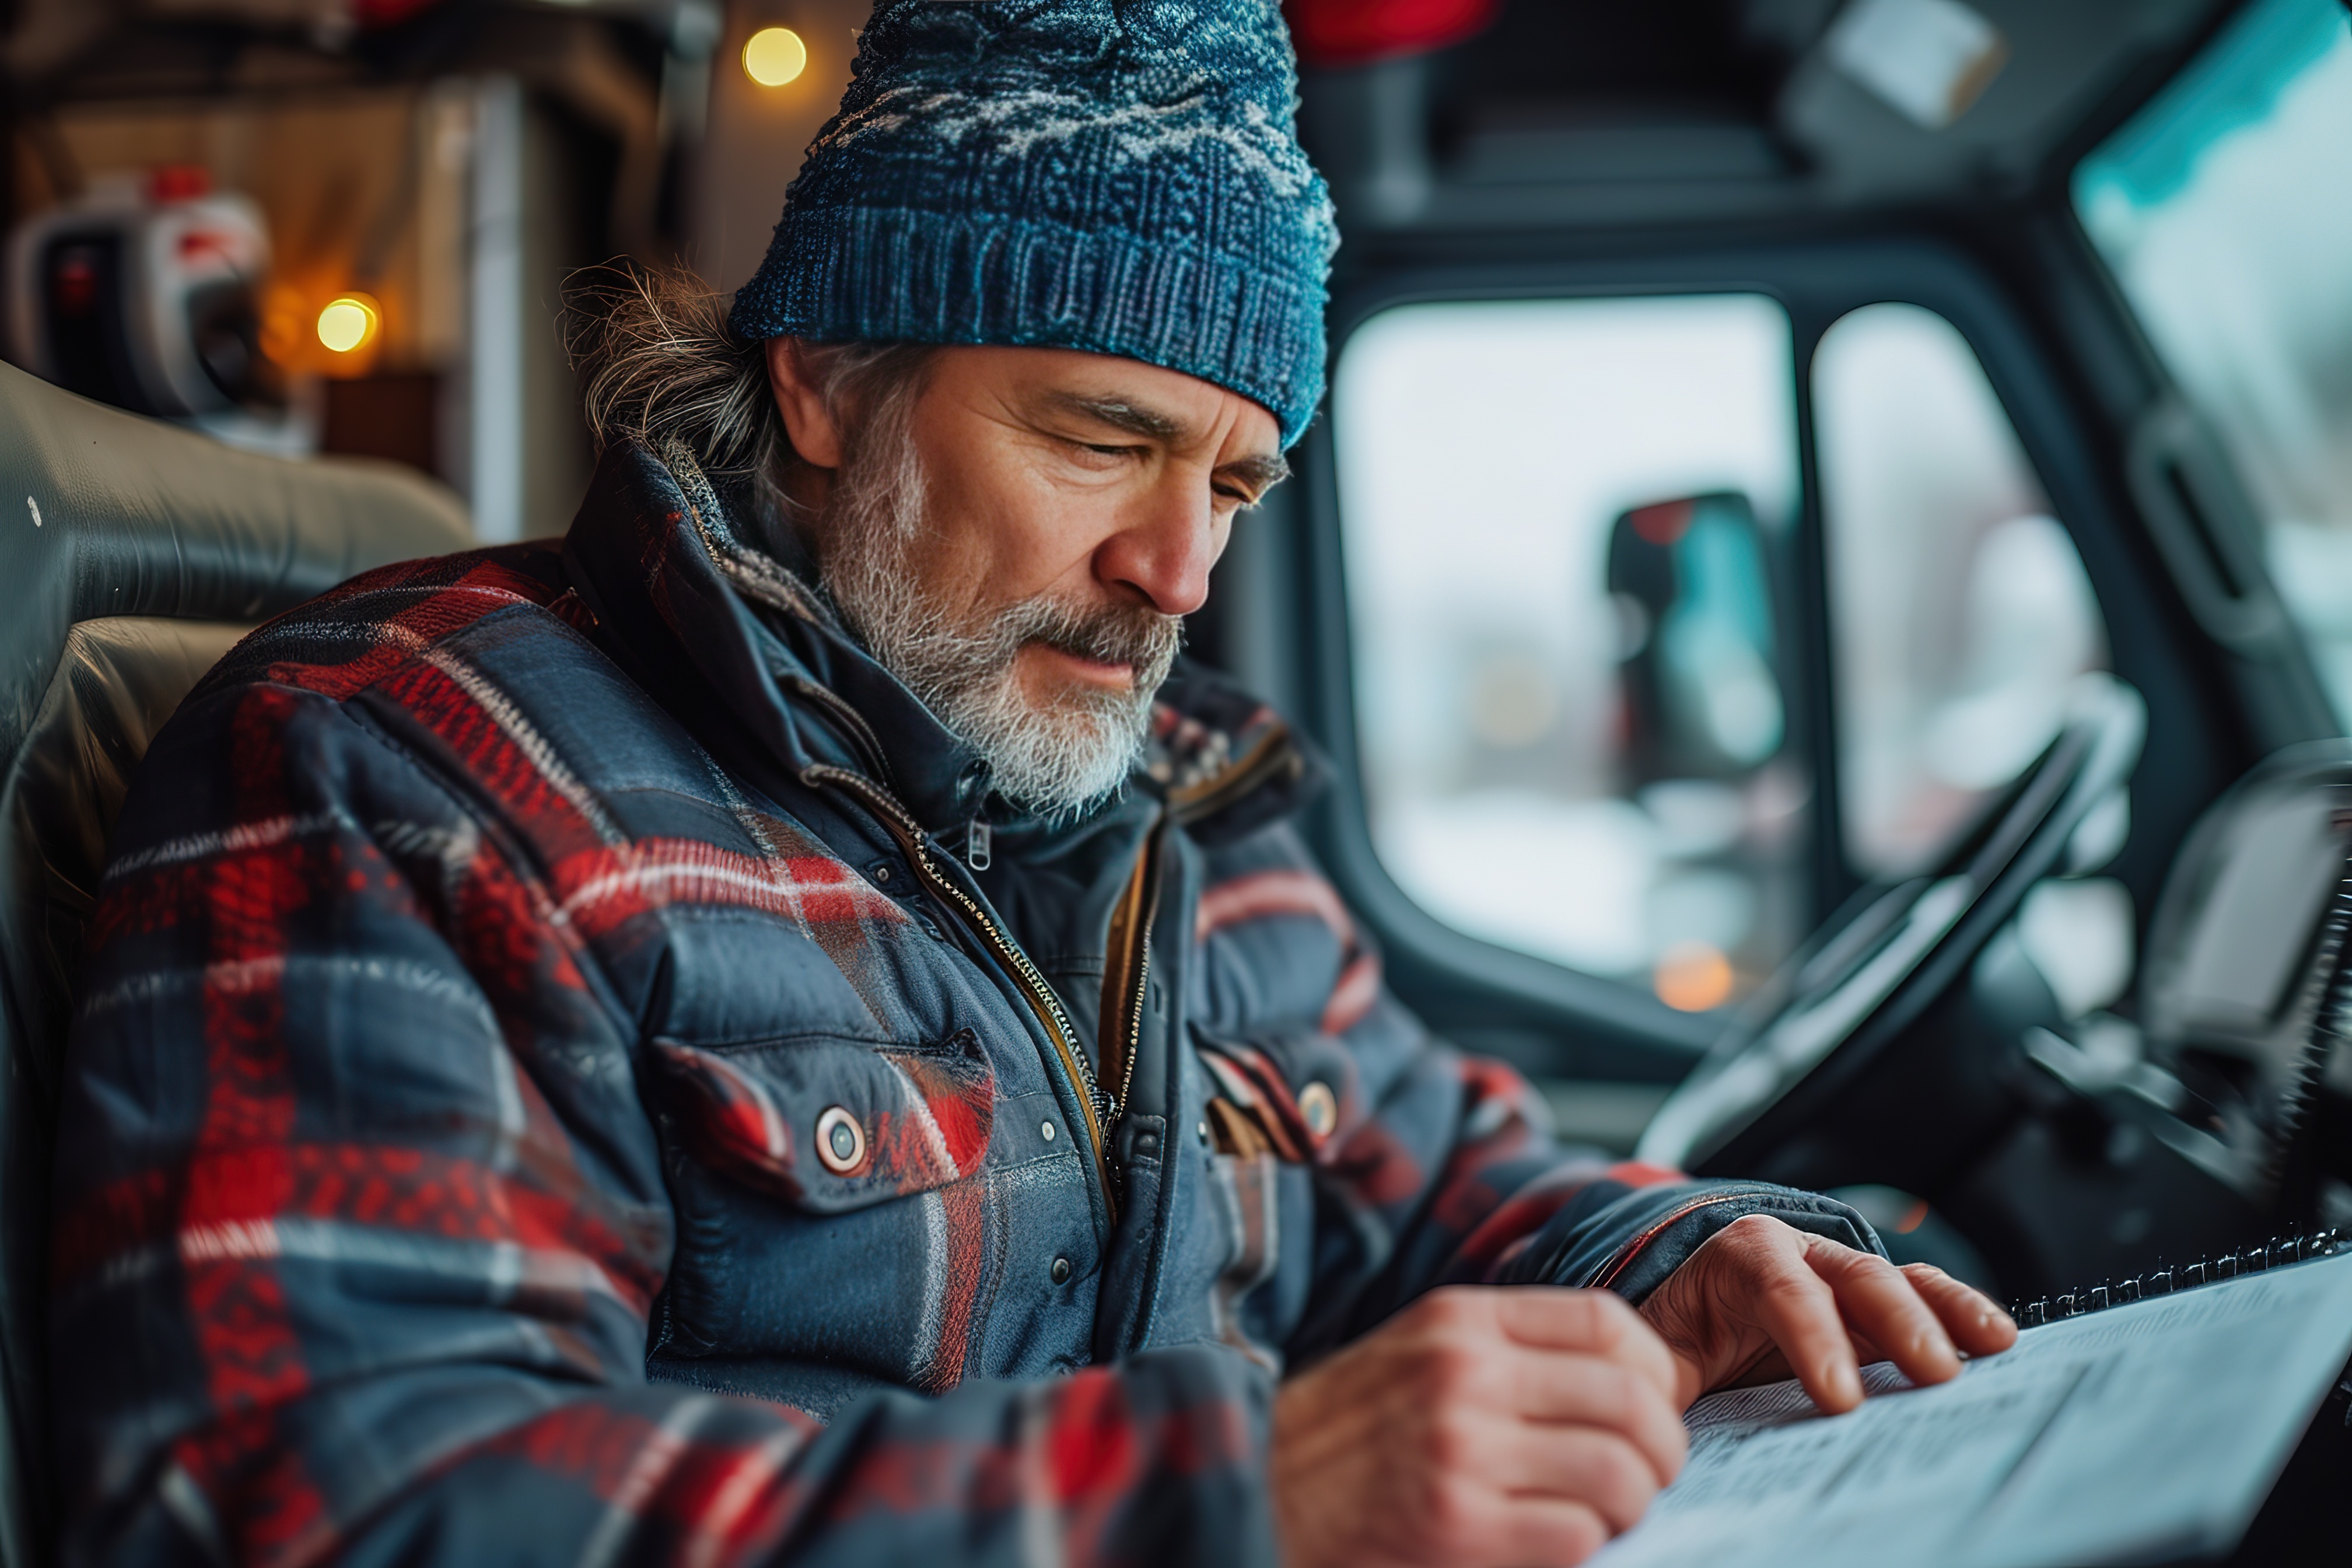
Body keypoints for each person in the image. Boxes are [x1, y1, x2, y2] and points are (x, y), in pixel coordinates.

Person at [48, 3, 2014, 1564]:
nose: (1183, 575)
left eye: (1235, 485)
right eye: (1103, 438)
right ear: (825, 379)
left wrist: (1677, 1266)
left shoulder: (1171, 801)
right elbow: (335, 1508)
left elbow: (1426, 1176)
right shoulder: (417, 769)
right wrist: (1234, 1504)